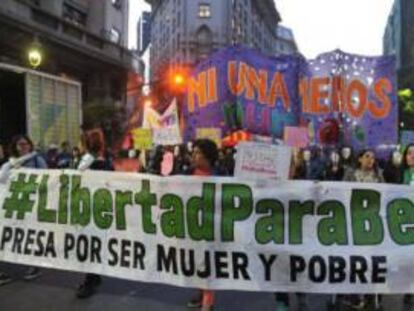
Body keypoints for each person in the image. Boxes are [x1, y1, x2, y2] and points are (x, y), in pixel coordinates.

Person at [0, 135, 48, 286]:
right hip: (15, 205)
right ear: (15, 147)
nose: (23, 147)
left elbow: (47, 179)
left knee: (32, 235)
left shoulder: (37, 160)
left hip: (32, 204)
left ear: (30, 145)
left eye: (25, 144)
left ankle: (35, 266)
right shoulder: (10, 164)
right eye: (20, 144)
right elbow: (2, 179)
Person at [342, 149, 384, 309]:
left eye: (373, 157)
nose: (370, 160)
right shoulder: (350, 175)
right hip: (353, 222)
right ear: (359, 159)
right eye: (367, 156)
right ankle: (354, 295)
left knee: (372, 260)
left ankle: (369, 294)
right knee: (354, 260)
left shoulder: (378, 176)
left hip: (372, 224)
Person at [75, 132, 112, 299]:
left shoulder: (92, 163)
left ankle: (91, 279)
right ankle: (93, 278)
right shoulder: (100, 162)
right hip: (94, 209)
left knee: (90, 245)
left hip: (93, 210)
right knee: (92, 245)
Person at [186, 139, 219, 311]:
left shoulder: (219, 179)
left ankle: (208, 304)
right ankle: (201, 294)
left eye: (198, 152)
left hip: (209, 230)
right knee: (197, 264)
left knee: (208, 268)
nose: (194, 155)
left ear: (207, 158)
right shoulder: (188, 174)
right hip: (192, 230)